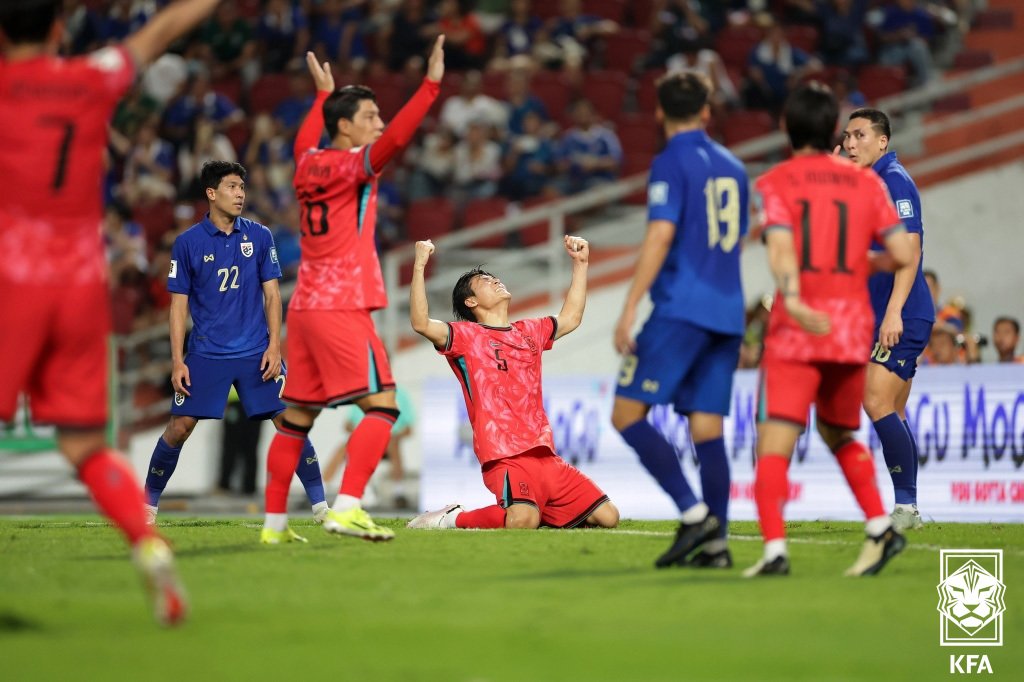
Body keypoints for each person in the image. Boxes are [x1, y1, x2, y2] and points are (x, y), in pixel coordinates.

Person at [0, 0, 222, 627]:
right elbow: (164, 28)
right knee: (84, 443)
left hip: (10, 280)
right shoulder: (91, 75)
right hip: (77, 284)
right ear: (58, 29)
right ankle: (148, 544)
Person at [262, 37, 447, 543]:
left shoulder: (306, 164)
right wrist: (430, 87)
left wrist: (322, 95)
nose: (379, 123)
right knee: (384, 407)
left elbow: (305, 140)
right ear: (346, 127)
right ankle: (347, 506)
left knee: (296, 419)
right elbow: (400, 140)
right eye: (370, 115)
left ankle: (274, 527)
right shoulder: (354, 164)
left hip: (304, 305)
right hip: (342, 303)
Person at [745, 82, 915, 578]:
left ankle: (775, 551)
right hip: (849, 329)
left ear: (786, 127)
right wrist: (857, 263)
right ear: (833, 134)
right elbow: (903, 254)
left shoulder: (777, 182)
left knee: (775, 436)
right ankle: (880, 527)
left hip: (799, 330)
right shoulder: (866, 184)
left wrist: (794, 299)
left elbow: (779, 251)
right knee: (840, 431)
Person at [142, 161, 328, 538]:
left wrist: (275, 346)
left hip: (256, 350)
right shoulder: (188, 242)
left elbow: (273, 295)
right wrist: (178, 360)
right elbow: (178, 307)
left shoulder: (260, 236)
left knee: (290, 422)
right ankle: (146, 507)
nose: (241, 193)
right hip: (207, 353)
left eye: (242, 186)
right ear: (212, 193)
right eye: (232, 186)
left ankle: (322, 507)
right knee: (179, 427)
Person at [610, 71, 748, 569]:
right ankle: (717, 546)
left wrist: (629, 306)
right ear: (708, 111)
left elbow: (660, 235)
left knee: (626, 413)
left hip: (681, 309)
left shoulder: (670, 161)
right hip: (727, 312)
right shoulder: (735, 167)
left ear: (659, 112)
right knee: (706, 426)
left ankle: (695, 515)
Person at [407, 237, 620, 530]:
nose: (495, 281)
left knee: (609, 517)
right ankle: (450, 519)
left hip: (546, 455)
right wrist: (419, 265)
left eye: (494, 277)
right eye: (484, 280)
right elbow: (420, 323)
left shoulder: (529, 331)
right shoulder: (465, 337)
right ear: (471, 302)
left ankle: (538, 510)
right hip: (504, 456)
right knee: (522, 521)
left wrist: (580, 263)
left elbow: (571, 317)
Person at [840, 108, 935, 532]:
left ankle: (907, 508)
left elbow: (909, 249)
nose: (850, 143)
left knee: (875, 401)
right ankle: (907, 505)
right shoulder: (864, 184)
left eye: (860, 135)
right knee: (892, 409)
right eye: (846, 136)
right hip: (881, 315)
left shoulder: (894, 180)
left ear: (883, 141)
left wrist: (894, 310)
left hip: (903, 313)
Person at [324, 386, 417, 509]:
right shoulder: (363, 393)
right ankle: (323, 489)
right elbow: (348, 424)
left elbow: (408, 429)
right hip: (363, 439)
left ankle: (398, 491)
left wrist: (388, 435)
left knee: (392, 443)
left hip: (387, 441)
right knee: (344, 446)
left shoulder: (399, 395)